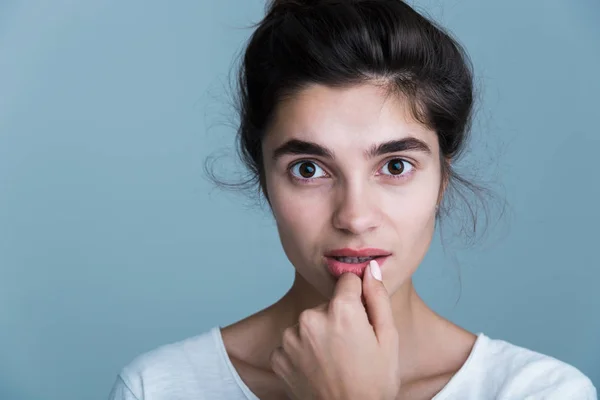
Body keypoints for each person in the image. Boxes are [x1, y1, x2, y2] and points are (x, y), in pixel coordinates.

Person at [108, 0, 597, 399]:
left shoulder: (539, 391)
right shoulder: (161, 387)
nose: (355, 218)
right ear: (264, 181)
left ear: (442, 179)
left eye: (395, 166)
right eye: (309, 169)